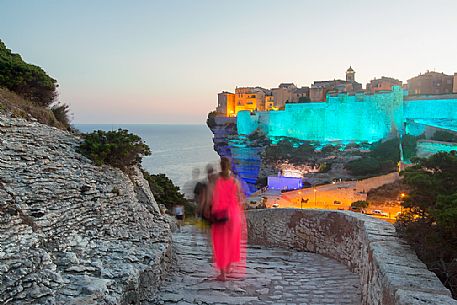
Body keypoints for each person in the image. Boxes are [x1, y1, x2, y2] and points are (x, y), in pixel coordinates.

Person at [211, 157, 246, 281]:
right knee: (231, 242)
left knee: (220, 243)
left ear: (220, 166)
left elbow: (213, 198)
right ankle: (228, 268)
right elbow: (241, 199)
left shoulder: (216, 180)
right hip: (233, 214)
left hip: (221, 213)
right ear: (230, 167)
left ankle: (222, 274)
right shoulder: (235, 182)